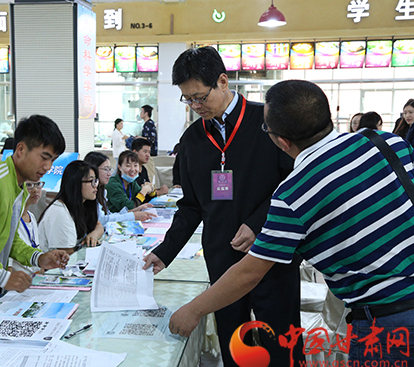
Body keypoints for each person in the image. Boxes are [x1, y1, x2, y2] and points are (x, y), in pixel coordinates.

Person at [167, 79, 414, 366]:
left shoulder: (295, 194)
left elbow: (249, 273)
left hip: (386, 323)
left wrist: (193, 310)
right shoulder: (386, 142)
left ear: (281, 141)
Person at [142, 46, 301, 367]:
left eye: (200, 96)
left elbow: (295, 185)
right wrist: (165, 251)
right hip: (222, 258)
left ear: (223, 81)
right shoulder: (192, 141)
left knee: (282, 347)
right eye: (188, 99)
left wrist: (258, 223)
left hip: (272, 257)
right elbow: (190, 206)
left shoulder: (267, 122)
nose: (195, 106)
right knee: (234, 347)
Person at [0, 115, 70, 313]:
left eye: (52, 160)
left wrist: (38, 258)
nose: (48, 167)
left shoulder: (18, 187)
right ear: (20, 150)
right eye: (44, 157)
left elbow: (8, 238)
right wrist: (2, 277)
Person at [38, 160, 104, 254]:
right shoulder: (60, 212)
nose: (95, 186)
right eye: (91, 181)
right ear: (76, 183)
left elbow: (98, 225)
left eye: (96, 181)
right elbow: (65, 253)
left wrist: (93, 235)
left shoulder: (82, 204)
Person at [84, 151, 156, 226]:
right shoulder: (111, 184)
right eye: (106, 169)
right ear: (119, 167)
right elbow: (103, 220)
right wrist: (133, 215)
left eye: (135, 165)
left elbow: (110, 215)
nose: (109, 174)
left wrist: (137, 209)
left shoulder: (131, 182)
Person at [7, 180, 44, 275]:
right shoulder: (10, 218)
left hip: (35, 276)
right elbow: (8, 269)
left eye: (38, 184)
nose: (35, 190)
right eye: (29, 185)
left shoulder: (31, 216)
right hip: (20, 283)